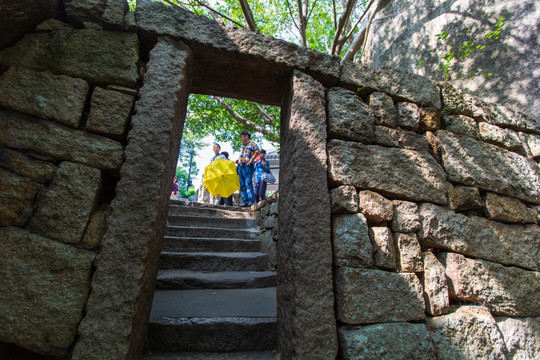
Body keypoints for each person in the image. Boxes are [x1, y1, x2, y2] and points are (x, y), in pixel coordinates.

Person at [235, 131, 260, 207]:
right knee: (242, 185)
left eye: (242, 137)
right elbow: (243, 157)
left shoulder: (252, 144)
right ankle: (245, 201)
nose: (241, 139)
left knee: (248, 183)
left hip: (247, 166)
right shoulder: (243, 147)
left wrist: (251, 160)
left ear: (246, 136)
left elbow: (258, 151)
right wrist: (238, 160)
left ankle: (251, 201)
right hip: (240, 166)